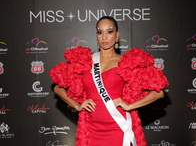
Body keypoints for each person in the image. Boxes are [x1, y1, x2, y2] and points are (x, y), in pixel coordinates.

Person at [49, 16, 169, 146]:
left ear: (117, 35)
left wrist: (130, 106)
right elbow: (57, 88)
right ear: (96, 36)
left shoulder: (125, 63)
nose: (104, 37)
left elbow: (159, 93)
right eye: (100, 32)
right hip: (91, 129)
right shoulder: (84, 61)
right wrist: (77, 105)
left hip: (118, 128)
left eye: (109, 32)